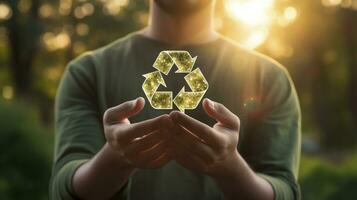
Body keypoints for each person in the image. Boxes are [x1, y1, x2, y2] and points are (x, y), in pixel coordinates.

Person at [50, 0, 301, 199]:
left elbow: (284, 191)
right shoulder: (88, 73)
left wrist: (230, 167)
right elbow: (64, 188)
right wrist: (114, 160)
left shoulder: (268, 79)